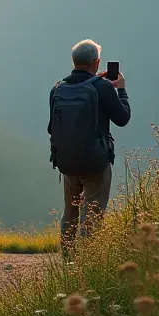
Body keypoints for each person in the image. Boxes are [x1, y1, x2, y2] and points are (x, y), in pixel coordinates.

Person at [48, 39, 131, 252]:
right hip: (95, 162)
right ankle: (87, 262)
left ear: (74, 61)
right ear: (97, 61)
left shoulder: (58, 88)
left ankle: (67, 258)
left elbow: (51, 128)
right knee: (92, 212)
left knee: (70, 211)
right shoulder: (102, 87)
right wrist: (120, 89)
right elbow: (122, 118)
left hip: (67, 161)